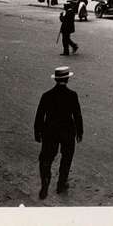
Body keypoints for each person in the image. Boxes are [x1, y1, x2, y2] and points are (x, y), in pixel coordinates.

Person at [34, 66, 83, 199]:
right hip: (67, 131)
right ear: (67, 79)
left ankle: (45, 182)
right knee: (66, 157)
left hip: (50, 131)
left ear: (55, 79)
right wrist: (80, 132)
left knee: (46, 158)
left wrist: (37, 132)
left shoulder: (46, 95)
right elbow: (77, 115)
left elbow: (40, 115)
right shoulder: (72, 95)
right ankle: (61, 183)